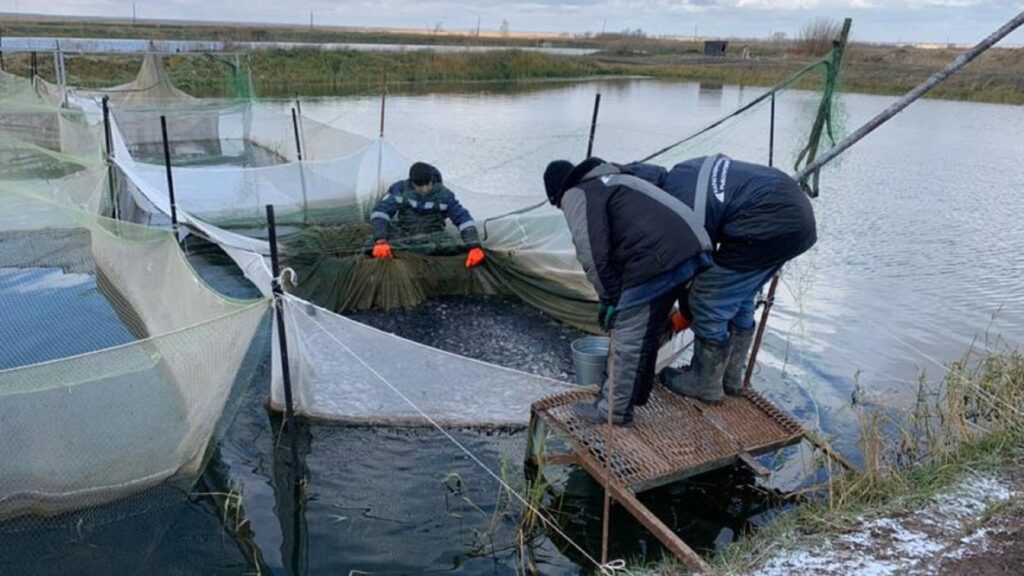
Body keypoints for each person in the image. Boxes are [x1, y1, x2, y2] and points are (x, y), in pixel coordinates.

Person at [624, 154, 817, 404]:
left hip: (769, 221)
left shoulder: (678, 203)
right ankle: (730, 378)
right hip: (795, 220)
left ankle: (704, 383)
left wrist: (684, 312)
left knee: (707, 296)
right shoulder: (684, 172)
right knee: (741, 295)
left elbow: (691, 262)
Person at [543, 157, 713, 426]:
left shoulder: (576, 193)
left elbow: (592, 253)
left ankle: (612, 412)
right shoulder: (612, 179)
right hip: (691, 246)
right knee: (649, 330)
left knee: (627, 336)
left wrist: (609, 298)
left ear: (556, 195)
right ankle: (635, 395)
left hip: (659, 259)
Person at [370, 162, 485, 268]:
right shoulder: (399, 189)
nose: (424, 189)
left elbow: (463, 219)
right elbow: (381, 211)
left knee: (455, 251)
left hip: (434, 239)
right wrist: (381, 240)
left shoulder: (445, 195)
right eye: (419, 186)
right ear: (412, 182)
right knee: (371, 241)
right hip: (404, 234)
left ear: (432, 180)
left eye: (427, 184)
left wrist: (474, 246)